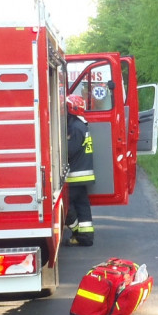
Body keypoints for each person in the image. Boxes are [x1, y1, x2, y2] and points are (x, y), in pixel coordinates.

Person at [64, 94, 94, 246]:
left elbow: (70, 150)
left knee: (66, 206)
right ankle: (86, 237)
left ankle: (77, 232)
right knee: (83, 206)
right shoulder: (81, 125)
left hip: (75, 175)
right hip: (83, 174)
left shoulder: (75, 128)